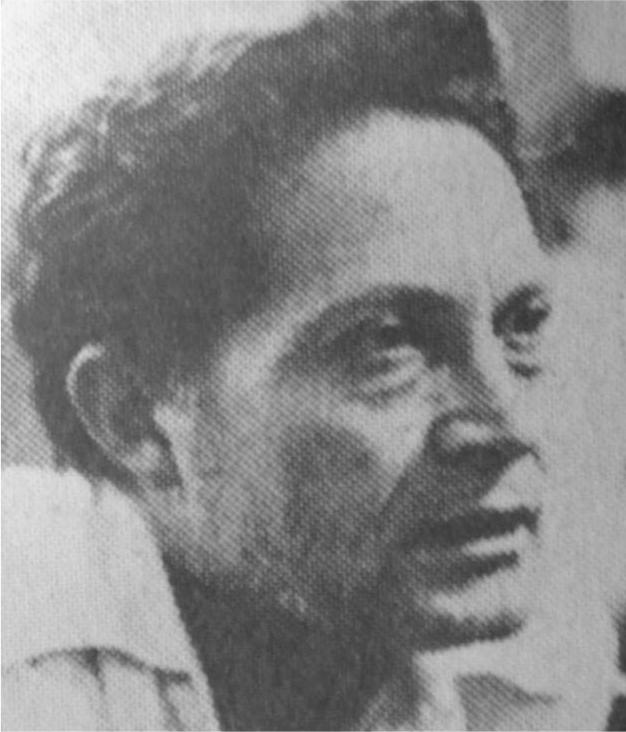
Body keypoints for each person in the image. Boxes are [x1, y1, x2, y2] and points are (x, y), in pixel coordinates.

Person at [3, 3, 625, 729]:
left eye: (522, 326)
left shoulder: (534, 652)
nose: (510, 423)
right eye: (385, 343)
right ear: (133, 415)